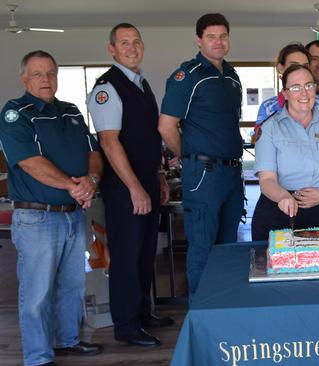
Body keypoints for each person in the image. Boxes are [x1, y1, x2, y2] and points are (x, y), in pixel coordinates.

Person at [0, 50, 103, 366]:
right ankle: (38, 356)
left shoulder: (71, 111)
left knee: (72, 286)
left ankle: (67, 340)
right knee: (37, 292)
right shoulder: (15, 113)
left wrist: (92, 180)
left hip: (72, 214)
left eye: (51, 73)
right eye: (38, 74)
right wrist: (74, 186)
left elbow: (93, 152)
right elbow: (31, 163)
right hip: (36, 217)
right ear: (24, 78)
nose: (46, 79)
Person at [87, 23, 172, 347]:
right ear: (112, 49)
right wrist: (135, 187)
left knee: (146, 252)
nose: (132, 47)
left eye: (136, 41)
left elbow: (147, 140)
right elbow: (109, 143)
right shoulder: (108, 87)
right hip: (125, 189)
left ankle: (143, 312)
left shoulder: (141, 84)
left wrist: (159, 176)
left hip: (146, 181)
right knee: (126, 255)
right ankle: (126, 325)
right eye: (124, 43)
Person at [158, 13, 244, 301]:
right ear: (199, 40)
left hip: (232, 173)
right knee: (203, 248)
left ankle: (223, 310)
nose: (218, 42)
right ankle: (200, 315)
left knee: (229, 247)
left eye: (223, 36)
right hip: (204, 174)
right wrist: (187, 155)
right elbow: (166, 125)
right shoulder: (188, 76)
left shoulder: (231, 76)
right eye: (211, 36)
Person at [252, 64, 319, 239]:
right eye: (295, 87)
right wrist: (284, 197)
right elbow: (267, 180)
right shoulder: (270, 127)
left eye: (309, 85)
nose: (304, 93)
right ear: (285, 93)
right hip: (281, 211)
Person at [253, 43, 319, 141]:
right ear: (280, 68)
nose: (300, 71)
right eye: (294, 66)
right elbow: (261, 145)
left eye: (305, 66)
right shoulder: (268, 107)